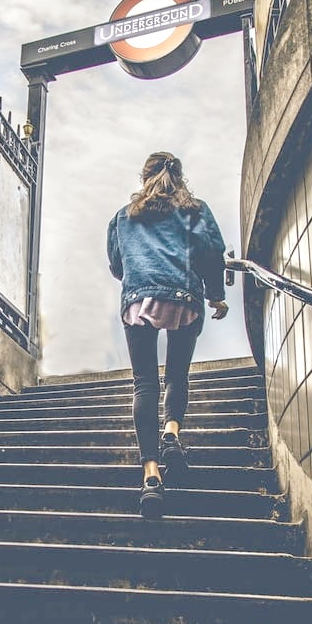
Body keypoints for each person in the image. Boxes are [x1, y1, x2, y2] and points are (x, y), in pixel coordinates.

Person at [107, 151, 229, 518]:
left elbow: (116, 264)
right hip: (183, 297)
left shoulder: (123, 216)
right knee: (177, 374)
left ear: (144, 177)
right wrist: (217, 296)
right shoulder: (195, 209)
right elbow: (212, 252)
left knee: (145, 384)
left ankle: (150, 477)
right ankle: (172, 434)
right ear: (179, 177)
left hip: (138, 299)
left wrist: (140, 276)